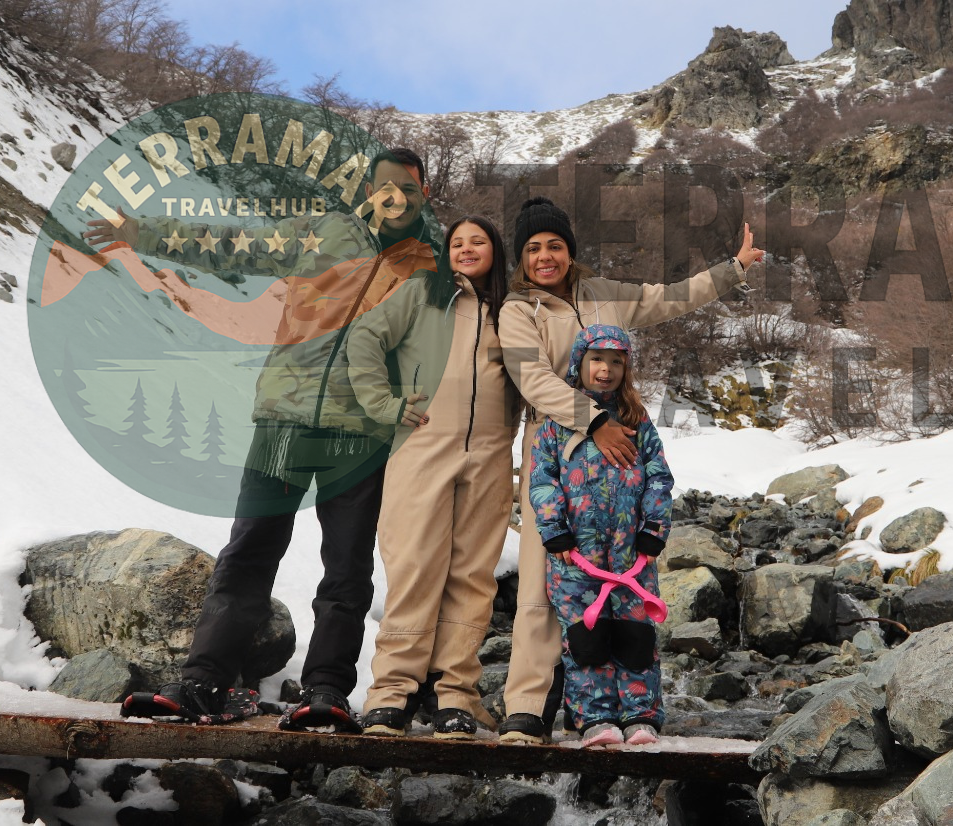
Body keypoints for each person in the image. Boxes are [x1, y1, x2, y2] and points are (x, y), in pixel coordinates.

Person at [87, 148, 440, 732]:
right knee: (251, 548)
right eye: (383, 184)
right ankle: (204, 681)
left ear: (422, 193)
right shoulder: (324, 231)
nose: (393, 193)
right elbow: (231, 241)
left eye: (406, 185)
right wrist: (141, 231)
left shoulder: (430, 262)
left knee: (346, 566)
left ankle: (325, 690)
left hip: (362, 432)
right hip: (286, 416)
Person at [496, 195, 764, 744]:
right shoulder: (518, 310)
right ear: (521, 260)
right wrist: (593, 422)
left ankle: (622, 706)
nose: (545, 257)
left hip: (621, 453)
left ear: (570, 251)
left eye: (554, 246)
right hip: (556, 447)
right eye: (532, 249)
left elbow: (669, 299)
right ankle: (528, 703)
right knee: (543, 585)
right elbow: (533, 381)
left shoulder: (602, 296)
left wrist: (732, 270)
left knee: (620, 589)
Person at [343, 215, 519, 740]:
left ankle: (455, 696)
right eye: (457, 242)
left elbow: (535, 375)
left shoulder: (512, 310)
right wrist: (383, 403)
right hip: (421, 447)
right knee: (415, 567)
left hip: (490, 455)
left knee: (472, 577)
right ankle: (391, 694)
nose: (466, 249)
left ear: (496, 251)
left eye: (478, 241)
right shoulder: (424, 294)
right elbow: (364, 337)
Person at [531, 324, 672, 747]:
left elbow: (658, 477)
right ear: (580, 363)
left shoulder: (637, 420)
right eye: (596, 360)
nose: (605, 371)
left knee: (636, 634)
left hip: (631, 558)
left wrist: (652, 530)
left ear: (625, 369)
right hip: (576, 558)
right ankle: (594, 717)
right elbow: (542, 479)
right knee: (585, 638)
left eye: (615, 363)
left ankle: (640, 715)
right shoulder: (558, 422)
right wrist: (555, 532)